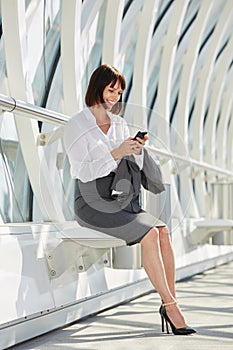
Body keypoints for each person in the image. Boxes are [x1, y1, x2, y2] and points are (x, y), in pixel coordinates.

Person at [63, 64, 196, 335]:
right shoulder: (76, 124)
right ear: (96, 87)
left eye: (119, 92)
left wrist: (135, 149)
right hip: (90, 202)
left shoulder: (120, 123)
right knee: (149, 234)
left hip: (119, 199)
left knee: (161, 231)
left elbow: (129, 162)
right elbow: (83, 172)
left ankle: (170, 301)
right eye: (111, 90)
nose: (115, 96)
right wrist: (115, 152)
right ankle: (170, 307)